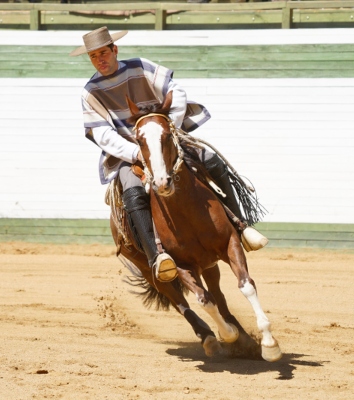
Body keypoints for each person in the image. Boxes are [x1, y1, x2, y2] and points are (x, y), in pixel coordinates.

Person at [70, 27, 268, 282]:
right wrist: (135, 153)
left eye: (103, 53)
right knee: (131, 188)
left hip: (165, 141)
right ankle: (156, 258)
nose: (100, 60)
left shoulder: (140, 67)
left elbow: (176, 91)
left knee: (210, 159)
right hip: (129, 153)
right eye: (94, 56)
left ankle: (241, 226)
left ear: (114, 50)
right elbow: (102, 134)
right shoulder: (90, 91)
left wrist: (170, 129)